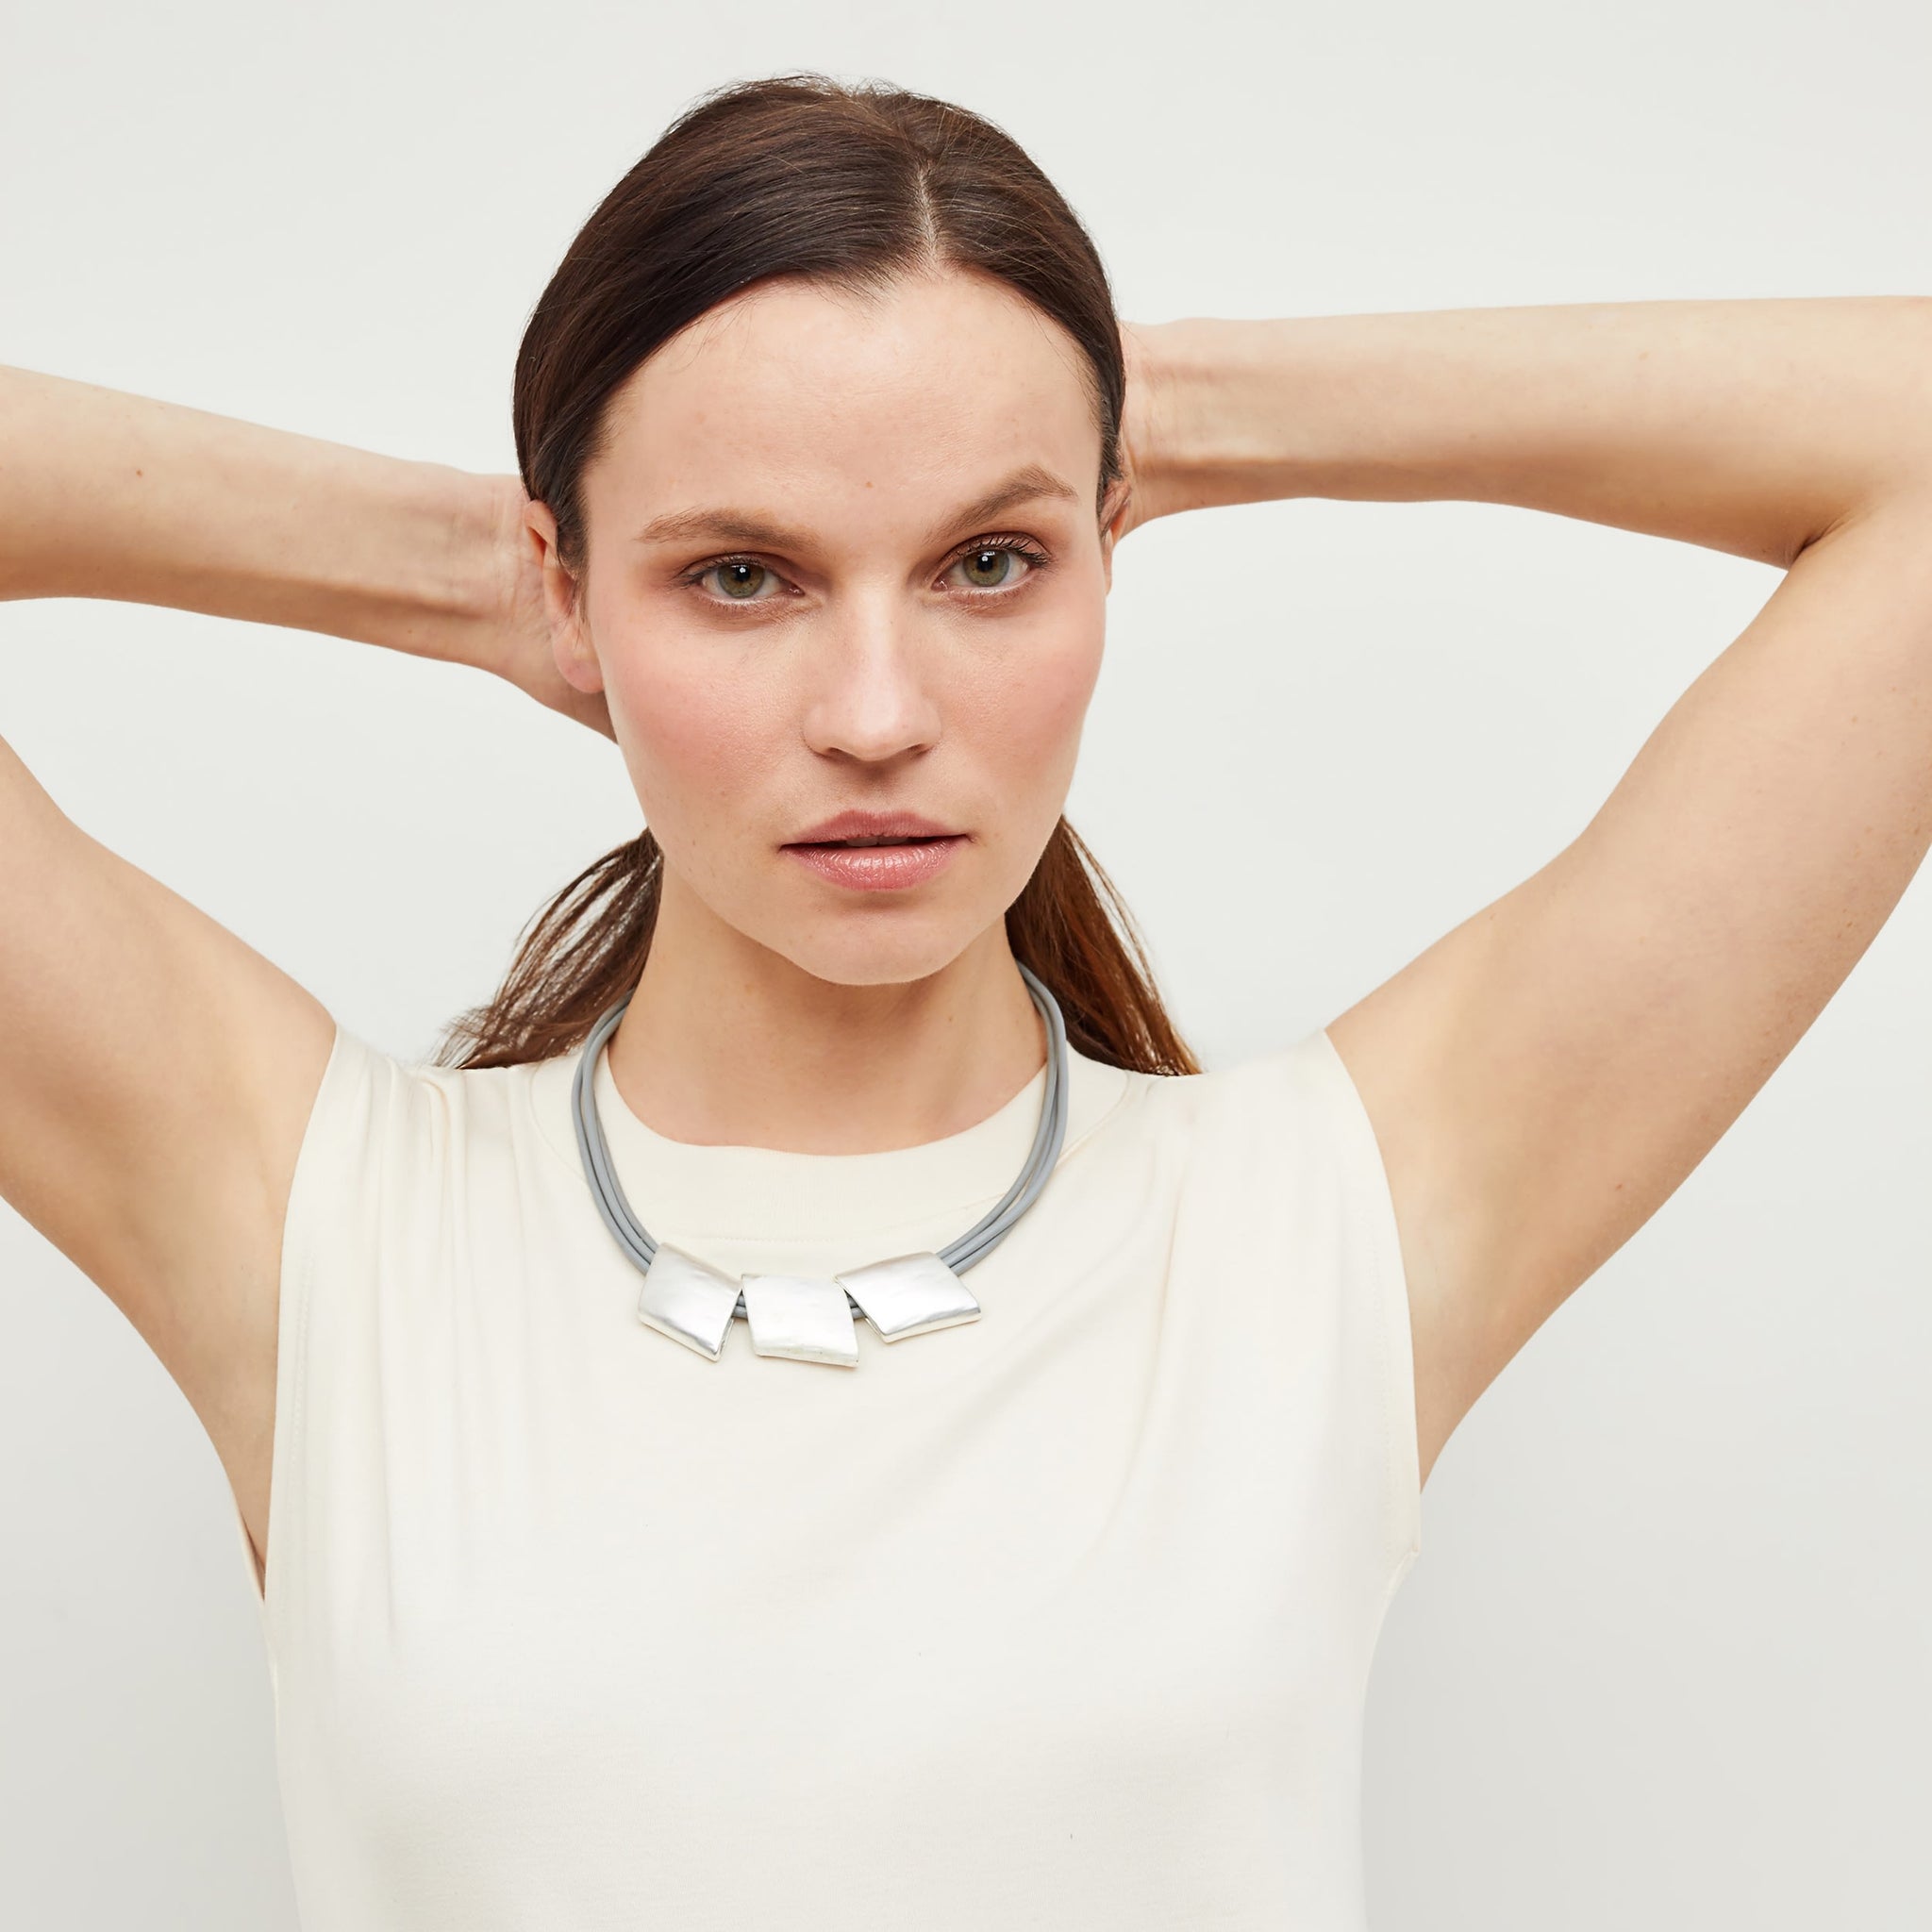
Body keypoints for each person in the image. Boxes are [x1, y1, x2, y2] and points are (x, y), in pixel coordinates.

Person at [3, 69, 1928, 1932]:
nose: (874, 714)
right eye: (741, 575)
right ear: (575, 589)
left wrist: (1169, 409)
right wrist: (472, 568)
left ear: (1108, 545)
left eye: (990, 559)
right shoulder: (318, 1220)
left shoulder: (1321, 1224)